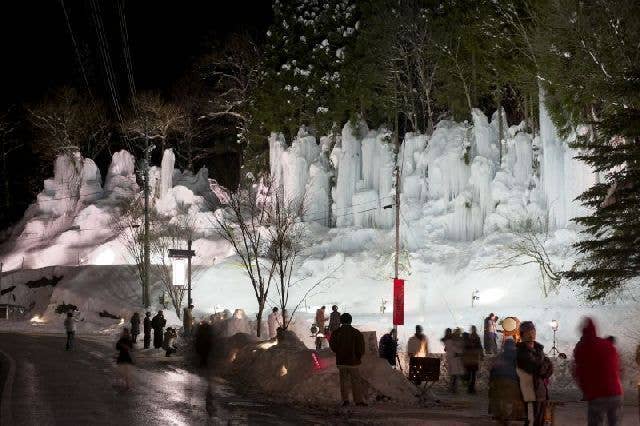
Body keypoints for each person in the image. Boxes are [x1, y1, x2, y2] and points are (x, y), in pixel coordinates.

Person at [573, 317, 623, 426]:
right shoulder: (606, 344)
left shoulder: (582, 348)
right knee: (614, 422)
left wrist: (586, 391)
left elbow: (579, 372)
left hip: (597, 394)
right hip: (616, 392)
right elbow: (617, 365)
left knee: (595, 422)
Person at [516, 321, 553, 426]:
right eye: (528, 331)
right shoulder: (521, 351)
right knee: (531, 420)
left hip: (540, 391)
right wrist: (543, 364)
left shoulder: (538, 349)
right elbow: (536, 368)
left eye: (533, 330)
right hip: (529, 392)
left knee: (540, 421)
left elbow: (549, 369)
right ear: (522, 334)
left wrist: (543, 365)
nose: (532, 334)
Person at [329, 313, 366, 407]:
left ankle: (345, 400)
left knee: (344, 381)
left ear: (341, 321)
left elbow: (333, 346)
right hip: (353, 362)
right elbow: (361, 348)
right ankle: (358, 401)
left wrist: (339, 352)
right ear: (350, 321)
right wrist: (358, 356)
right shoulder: (356, 332)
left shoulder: (336, 332)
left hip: (341, 361)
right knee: (356, 381)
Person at [489, 337, 526, 423]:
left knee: (500, 399)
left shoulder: (500, 356)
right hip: (513, 381)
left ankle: (500, 416)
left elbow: (493, 369)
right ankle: (516, 414)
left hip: (499, 380)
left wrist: (492, 381)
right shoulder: (517, 356)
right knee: (516, 398)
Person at [462, 325, 483, 394]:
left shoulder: (469, 338)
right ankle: (471, 388)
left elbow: (464, 348)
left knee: (470, 374)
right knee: (472, 374)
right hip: (473, 359)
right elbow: (480, 347)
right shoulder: (476, 338)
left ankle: (470, 388)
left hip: (470, 359)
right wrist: (481, 355)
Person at [443, 328, 464, 393]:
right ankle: (453, 388)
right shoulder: (452, 340)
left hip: (455, 359)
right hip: (453, 359)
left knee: (454, 375)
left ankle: (453, 388)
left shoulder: (456, 340)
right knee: (454, 375)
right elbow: (447, 348)